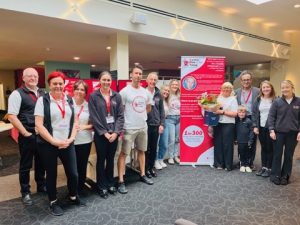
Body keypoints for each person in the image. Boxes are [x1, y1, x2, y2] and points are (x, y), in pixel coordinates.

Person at [35, 71, 84, 216]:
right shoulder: (42, 101)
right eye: (55, 83)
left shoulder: (69, 99)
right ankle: (53, 201)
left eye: (60, 83)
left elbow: (76, 121)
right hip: (49, 144)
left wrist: (71, 138)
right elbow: (39, 125)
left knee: (73, 174)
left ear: (64, 84)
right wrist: (53, 141)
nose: (58, 86)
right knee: (52, 174)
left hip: (67, 143)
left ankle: (73, 196)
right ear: (49, 85)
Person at [7, 67, 46, 206]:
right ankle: (25, 192)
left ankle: (41, 185)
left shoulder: (43, 92)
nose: (33, 78)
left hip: (42, 135)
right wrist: (25, 133)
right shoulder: (17, 94)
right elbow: (11, 116)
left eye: (35, 76)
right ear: (23, 78)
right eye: (29, 76)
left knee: (42, 163)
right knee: (25, 165)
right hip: (28, 135)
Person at [117, 64, 153, 194]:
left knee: (142, 151)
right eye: (136, 73)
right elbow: (119, 110)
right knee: (124, 154)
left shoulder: (145, 92)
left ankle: (142, 174)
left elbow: (149, 108)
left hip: (142, 127)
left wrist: (140, 116)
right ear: (131, 75)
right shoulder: (124, 91)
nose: (138, 76)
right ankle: (121, 181)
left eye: (140, 74)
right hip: (128, 128)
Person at [89, 71, 124, 198]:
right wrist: (104, 133)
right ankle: (101, 186)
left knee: (110, 160)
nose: (106, 82)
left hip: (114, 134)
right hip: (101, 135)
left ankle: (110, 183)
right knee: (101, 160)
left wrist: (115, 132)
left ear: (111, 82)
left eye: (108, 80)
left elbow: (120, 116)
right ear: (99, 81)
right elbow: (94, 117)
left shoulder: (117, 96)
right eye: (104, 80)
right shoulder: (94, 96)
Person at [268, 80, 300, 185]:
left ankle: (285, 175)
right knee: (277, 154)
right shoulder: (277, 102)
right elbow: (271, 116)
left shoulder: (298, 101)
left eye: (287, 87)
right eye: (283, 88)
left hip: (293, 133)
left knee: (288, 155)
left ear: (292, 87)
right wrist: (271, 130)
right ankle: (275, 175)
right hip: (278, 133)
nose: (285, 89)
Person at [235, 70, 260, 169]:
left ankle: (250, 162)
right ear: (241, 81)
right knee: (241, 141)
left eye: (248, 79)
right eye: (244, 80)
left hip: (252, 118)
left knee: (252, 141)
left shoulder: (257, 91)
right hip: (241, 118)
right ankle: (242, 161)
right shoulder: (237, 92)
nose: (246, 81)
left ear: (251, 80)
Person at [72, 80, 93, 196]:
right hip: (71, 140)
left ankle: (80, 189)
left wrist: (84, 126)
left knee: (82, 165)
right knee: (72, 168)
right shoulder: (68, 103)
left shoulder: (88, 106)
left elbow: (93, 124)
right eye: (77, 89)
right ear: (74, 90)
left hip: (85, 140)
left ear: (85, 93)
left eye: (82, 90)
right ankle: (72, 189)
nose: (79, 91)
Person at [252, 80, 276, 177]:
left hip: (271, 128)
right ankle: (264, 167)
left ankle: (269, 168)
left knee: (270, 148)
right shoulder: (258, 99)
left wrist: (273, 129)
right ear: (261, 89)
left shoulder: (276, 100)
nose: (266, 89)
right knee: (263, 148)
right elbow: (254, 114)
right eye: (264, 87)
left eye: (268, 87)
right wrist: (255, 126)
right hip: (261, 127)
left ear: (271, 88)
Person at [213, 82, 238, 171]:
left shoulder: (233, 99)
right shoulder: (218, 98)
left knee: (227, 145)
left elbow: (235, 114)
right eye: (225, 88)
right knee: (218, 144)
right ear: (221, 89)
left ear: (231, 90)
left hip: (229, 124)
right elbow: (213, 109)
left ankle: (228, 165)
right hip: (218, 123)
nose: (226, 89)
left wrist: (222, 112)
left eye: (228, 88)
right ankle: (219, 164)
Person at [145, 72, 165, 178]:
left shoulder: (158, 94)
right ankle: (144, 169)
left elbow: (161, 110)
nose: (153, 81)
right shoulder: (142, 92)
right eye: (151, 79)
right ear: (147, 81)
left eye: (155, 80)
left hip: (156, 125)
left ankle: (150, 168)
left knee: (153, 148)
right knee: (145, 148)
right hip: (145, 125)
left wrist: (162, 124)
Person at [155, 85, 170, 170]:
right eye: (165, 90)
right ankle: (155, 160)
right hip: (158, 123)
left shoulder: (167, 101)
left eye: (168, 91)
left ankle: (160, 158)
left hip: (165, 123)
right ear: (161, 90)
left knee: (164, 143)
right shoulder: (157, 100)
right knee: (156, 144)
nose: (166, 92)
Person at [235, 105, 254, 173]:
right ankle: (242, 164)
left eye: (243, 112)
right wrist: (235, 139)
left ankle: (247, 165)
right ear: (237, 113)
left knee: (248, 153)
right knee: (241, 153)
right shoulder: (236, 121)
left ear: (245, 113)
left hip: (247, 141)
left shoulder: (248, 121)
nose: (241, 114)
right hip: (240, 141)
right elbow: (235, 131)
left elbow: (251, 131)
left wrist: (250, 140)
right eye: (240, 112)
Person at [166, 79, 181, 164]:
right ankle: (170, 156)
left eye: (176, 85)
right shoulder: (167, 95)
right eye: (173, 85)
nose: (175, 86)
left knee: (177, 139)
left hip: (179, 118)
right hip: (170, 119)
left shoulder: (180, 95)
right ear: (170, 85)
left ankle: (175, 156)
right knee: (171, 139)